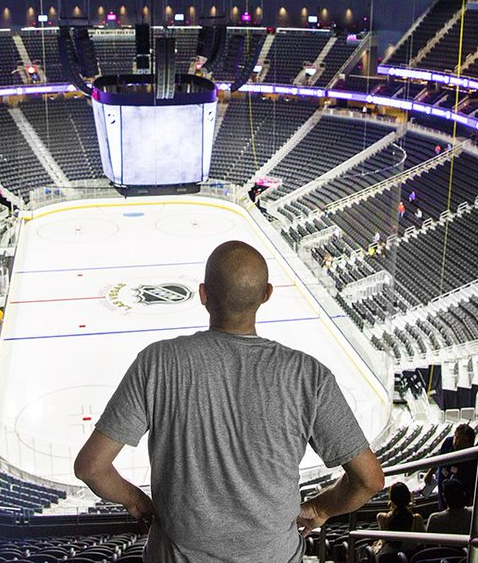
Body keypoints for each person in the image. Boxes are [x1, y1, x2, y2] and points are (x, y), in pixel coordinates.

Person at [74, 240, 384, 563]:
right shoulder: (309, 376)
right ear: (267, 295)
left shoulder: (157, 362)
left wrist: (136, 501)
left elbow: (91, 467)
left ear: (203, 295)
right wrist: (320, 507)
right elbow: (369, 479)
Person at [372, 482, 426, 561]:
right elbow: (423, 543)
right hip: (410, 557)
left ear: (391, 499)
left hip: (387, 557)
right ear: (408, 497)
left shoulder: (382, 518)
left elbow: (383, 541)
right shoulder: (417, 518)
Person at [433, 425, 476, 510]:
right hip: (443, 488)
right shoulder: (448, 442)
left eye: (462, 439)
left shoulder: (473, 458)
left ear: (470, 443)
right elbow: (439, 458)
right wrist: (430, 472)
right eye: (456, 436)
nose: (457, 441)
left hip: (460, 496)